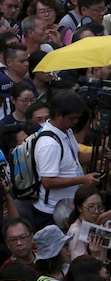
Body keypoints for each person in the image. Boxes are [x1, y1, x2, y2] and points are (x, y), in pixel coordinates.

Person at [32, 91, 99, 229]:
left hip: (67, 208)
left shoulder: (65, 131)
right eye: (71, 118)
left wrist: (100, 152)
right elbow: (48, 181)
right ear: (57, 115)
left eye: (77, 118)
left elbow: (77, 157)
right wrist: (82, 180)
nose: (75, 122)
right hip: (52, 213)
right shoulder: (49, 144)